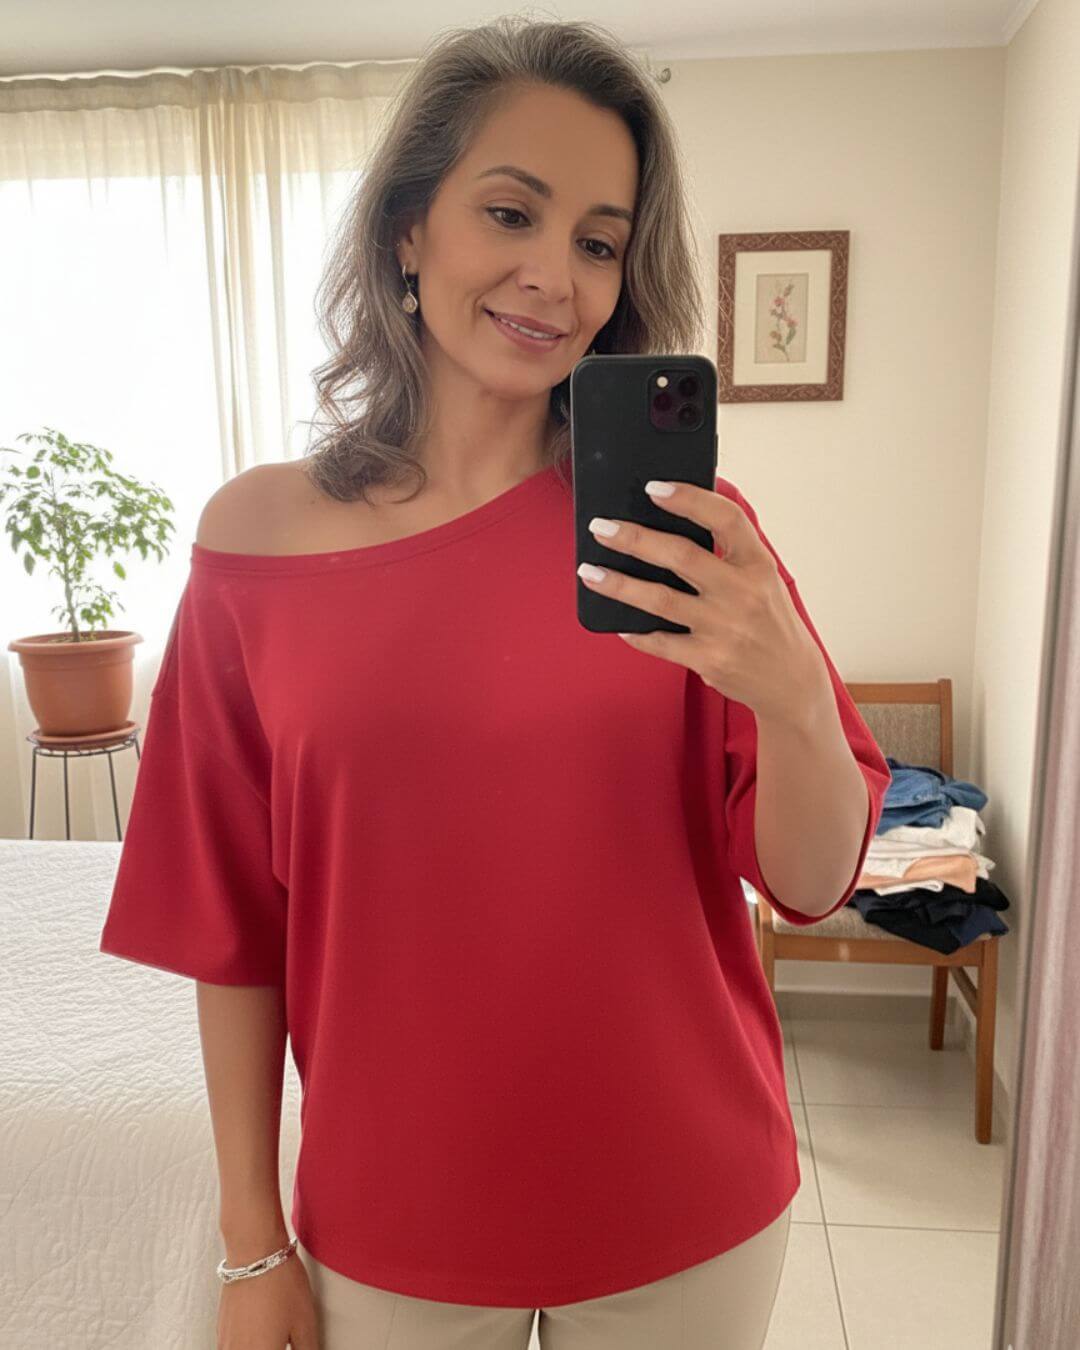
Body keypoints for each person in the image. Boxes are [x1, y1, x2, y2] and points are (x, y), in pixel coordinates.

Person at [99, 16, 891, 1349]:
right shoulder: (257, 544)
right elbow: (230, 924)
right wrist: (251, 1241)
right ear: (408, 229)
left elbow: (812, 881)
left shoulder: (685, 537)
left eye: (599, 242)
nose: (553, 277)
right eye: (511, 213)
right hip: (390, 1220)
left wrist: (797, 697)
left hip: (685, 1200)